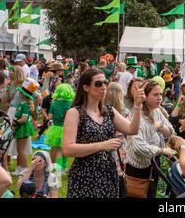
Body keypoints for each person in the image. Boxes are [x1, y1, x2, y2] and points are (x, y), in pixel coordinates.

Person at [62, 68, 143, 198]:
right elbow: (67, 149)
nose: (104, 87)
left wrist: (138, 107)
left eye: (105, 82)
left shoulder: (109, 111)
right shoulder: (75, 113)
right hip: (84, 175)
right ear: (86, 87)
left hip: (107, 172)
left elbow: (132, 130)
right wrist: (102, 145)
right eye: (98, 84)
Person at [124, 80, 175, 198]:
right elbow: (139, 148)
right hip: (138, 169)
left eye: (161, 94)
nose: (159, 98)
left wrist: (159, 126)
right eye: (155, 95)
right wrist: (162, 150)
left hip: (153, 164)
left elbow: (170, 130)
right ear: (145, 97)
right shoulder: (138, 118)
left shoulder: (156, 111)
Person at [12, 78, 40, 175]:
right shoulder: (22, 103)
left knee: (21, 150)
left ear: (24, 94)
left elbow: (24, 119)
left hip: (22, 127)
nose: (19, 93)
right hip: (20, 127)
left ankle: (23, 168)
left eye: (20, 92)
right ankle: (19, 167)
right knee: (19, 149)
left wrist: (15, 122)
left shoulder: (25, 105)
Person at [45, 84, 75, 171]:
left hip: (56, 129)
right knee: (65, 149)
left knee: (56, 149)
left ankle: (55, 167)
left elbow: (49, 117)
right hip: (68, 129)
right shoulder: (72, 104)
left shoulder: (54, 104)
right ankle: (64, 167)